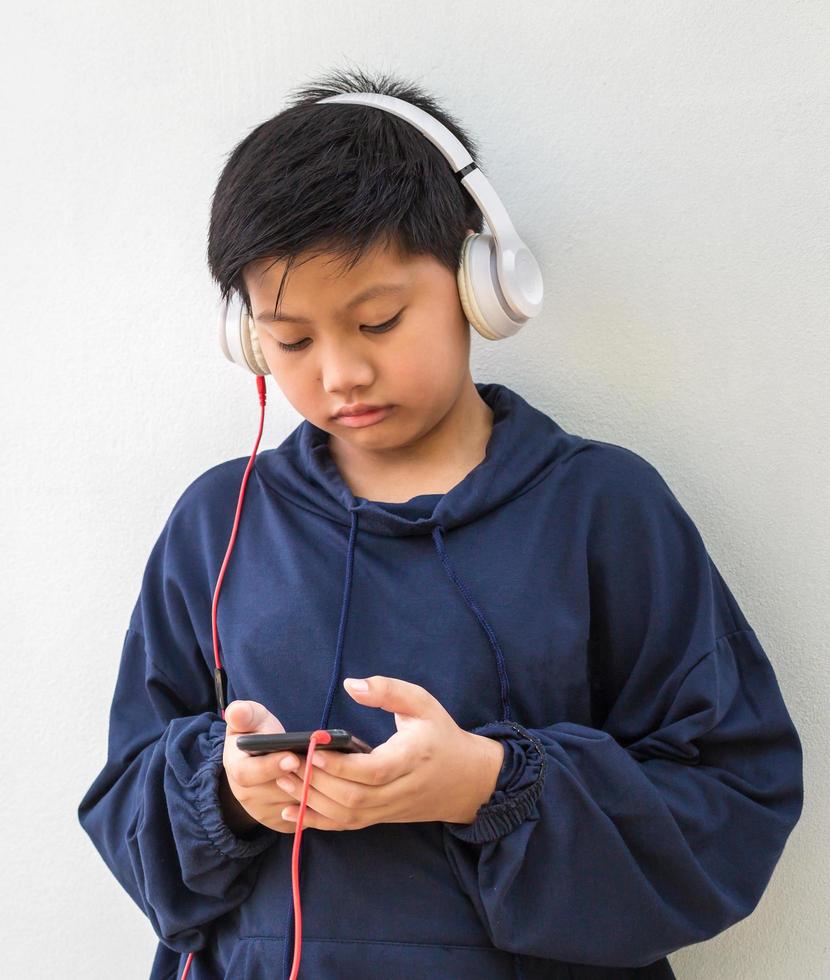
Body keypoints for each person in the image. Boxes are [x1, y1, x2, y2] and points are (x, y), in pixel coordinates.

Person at [75, 66, 804, 979]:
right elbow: (126, 803)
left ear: (476, 276)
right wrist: (223, 791)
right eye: (292, 341)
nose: (339, 375)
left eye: (378, 321)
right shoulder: (216, 524)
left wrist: (493, 787)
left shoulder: (606, 512)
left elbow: (732, 799)